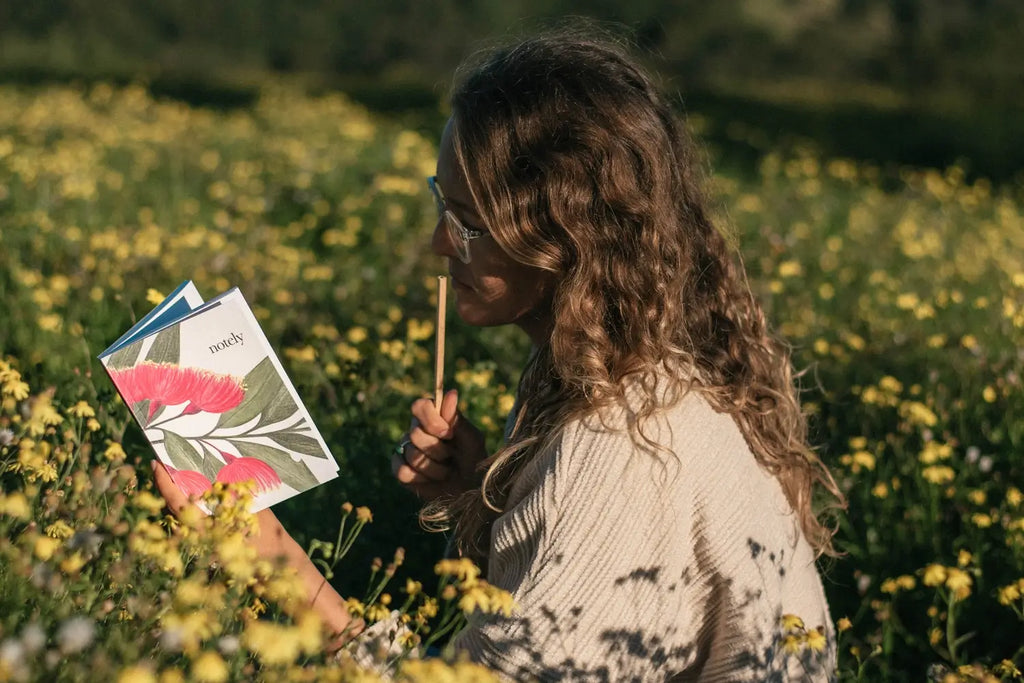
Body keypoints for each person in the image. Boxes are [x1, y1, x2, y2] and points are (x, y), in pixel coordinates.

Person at [157, 26, 843, 682]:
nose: (437, 244)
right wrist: (484, 492)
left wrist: (275, 561)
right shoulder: (635, 380)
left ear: (561, 236)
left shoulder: (616, 449)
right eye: (440, 203)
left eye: (466, 223)